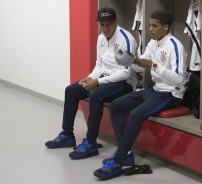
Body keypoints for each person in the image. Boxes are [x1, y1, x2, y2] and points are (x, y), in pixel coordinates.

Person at [93, 10, 187, 180]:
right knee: (116, 106)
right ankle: (126, 153)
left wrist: (154, 65)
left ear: (165, 27)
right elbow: (138, 67)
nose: (150, 29)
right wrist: (130, 60)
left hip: (170, 94)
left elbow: (179, 79)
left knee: (136, 114)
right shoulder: (152, 43)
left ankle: (118, 161)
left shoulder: (175, 46)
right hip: (154, 89)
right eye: (150, 25)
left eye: (154, 26)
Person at [45, 7, 137, 160]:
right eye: (102, 24)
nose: (106, 28)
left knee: (95, 96)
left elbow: (125, 72)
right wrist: (90, 78)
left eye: (109, 24)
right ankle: (67, 135)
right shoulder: (101, 38)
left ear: (116, 22)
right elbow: (99, 65)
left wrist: (98, 81)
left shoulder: (125, 39)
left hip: (123, 83)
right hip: (104, 79)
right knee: (71, 90)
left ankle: (91, 143)